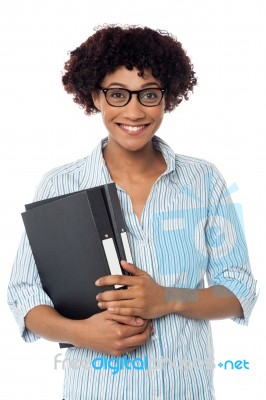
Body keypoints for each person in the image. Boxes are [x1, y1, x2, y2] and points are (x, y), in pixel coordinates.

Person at [8, 25, 257, 400]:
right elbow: (24, 295)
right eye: (118, 94)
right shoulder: (60, 185)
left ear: (167, 97)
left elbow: (238, 289)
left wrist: (169, 298)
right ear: (96, 97)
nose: (135, 111)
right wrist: (81, 333)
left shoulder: (204, 181)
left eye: (149, 94)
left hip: (184, 390)